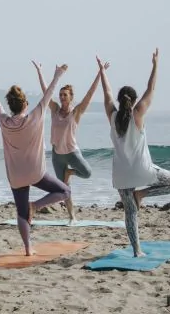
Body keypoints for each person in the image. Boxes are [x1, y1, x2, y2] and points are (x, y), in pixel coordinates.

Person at [0, 64, 71, 256]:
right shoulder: (34, 116)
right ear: (25, 104)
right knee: (65, 191)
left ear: (11, 106)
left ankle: (28, 249)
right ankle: (35, 206)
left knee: (21, 213)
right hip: (36, 172)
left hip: (16, 176)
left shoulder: (4, 121)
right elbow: (49, 94)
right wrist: (58, 75)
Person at [97, 49, 170, 257]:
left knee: (130, 213)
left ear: (120, 101)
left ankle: (137, 251)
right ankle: (144, 193)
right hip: (143, 171)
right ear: (134, 100)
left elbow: (107, 94)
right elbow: (152, 88)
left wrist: (102, 72)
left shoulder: (112, 116)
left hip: (121, 176)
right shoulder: (138, 113)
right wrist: (155, 64)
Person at [32, 61, 109, 224]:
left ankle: (70, 173)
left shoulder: (77, 112)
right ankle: (72, 217)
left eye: (65, 95)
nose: (61, 97)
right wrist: (40, 70)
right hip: (57, 156)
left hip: (73, 153)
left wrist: (100, 73)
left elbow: (90, 93)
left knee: (87, 173)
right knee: (65, 190)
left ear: (71, 97)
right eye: (60, 95)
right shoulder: (53, 109)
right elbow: (46, 91)